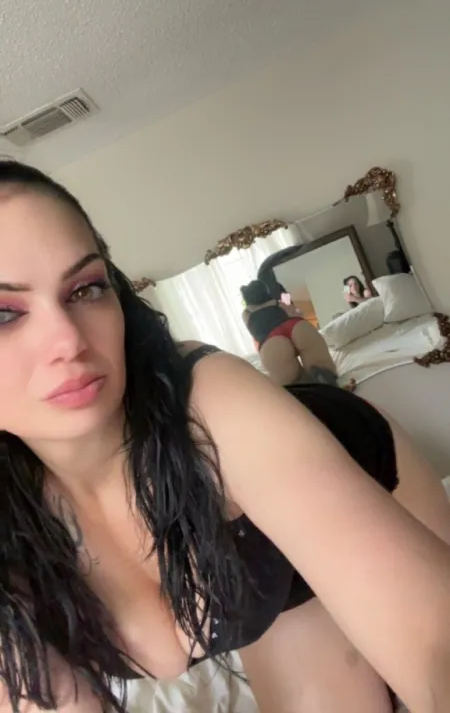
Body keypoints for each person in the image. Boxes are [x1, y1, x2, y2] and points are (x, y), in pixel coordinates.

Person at [1, 161, 450, 713]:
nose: (68, 341)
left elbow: (435, 643)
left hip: (360, 465)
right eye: (3, 314)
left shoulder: (210, 399)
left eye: (86, 288)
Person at [241, 280, 337, 385]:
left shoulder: (246, 313)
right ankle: (328, 382)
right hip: (296, 326)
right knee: (322, 369)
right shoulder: (277, 302)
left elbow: (255, 335)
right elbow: (296, 314)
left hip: (271, 339)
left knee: (293, 383)